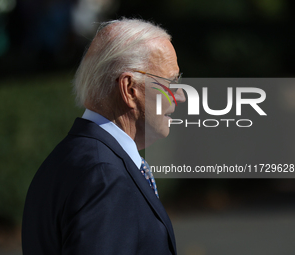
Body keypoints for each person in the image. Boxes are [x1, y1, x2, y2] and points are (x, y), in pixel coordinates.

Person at [22, 18, 185, 255]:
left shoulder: (70, 158)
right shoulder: (104, 176)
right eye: (170, 82)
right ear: (130, 89)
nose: (179, 96)